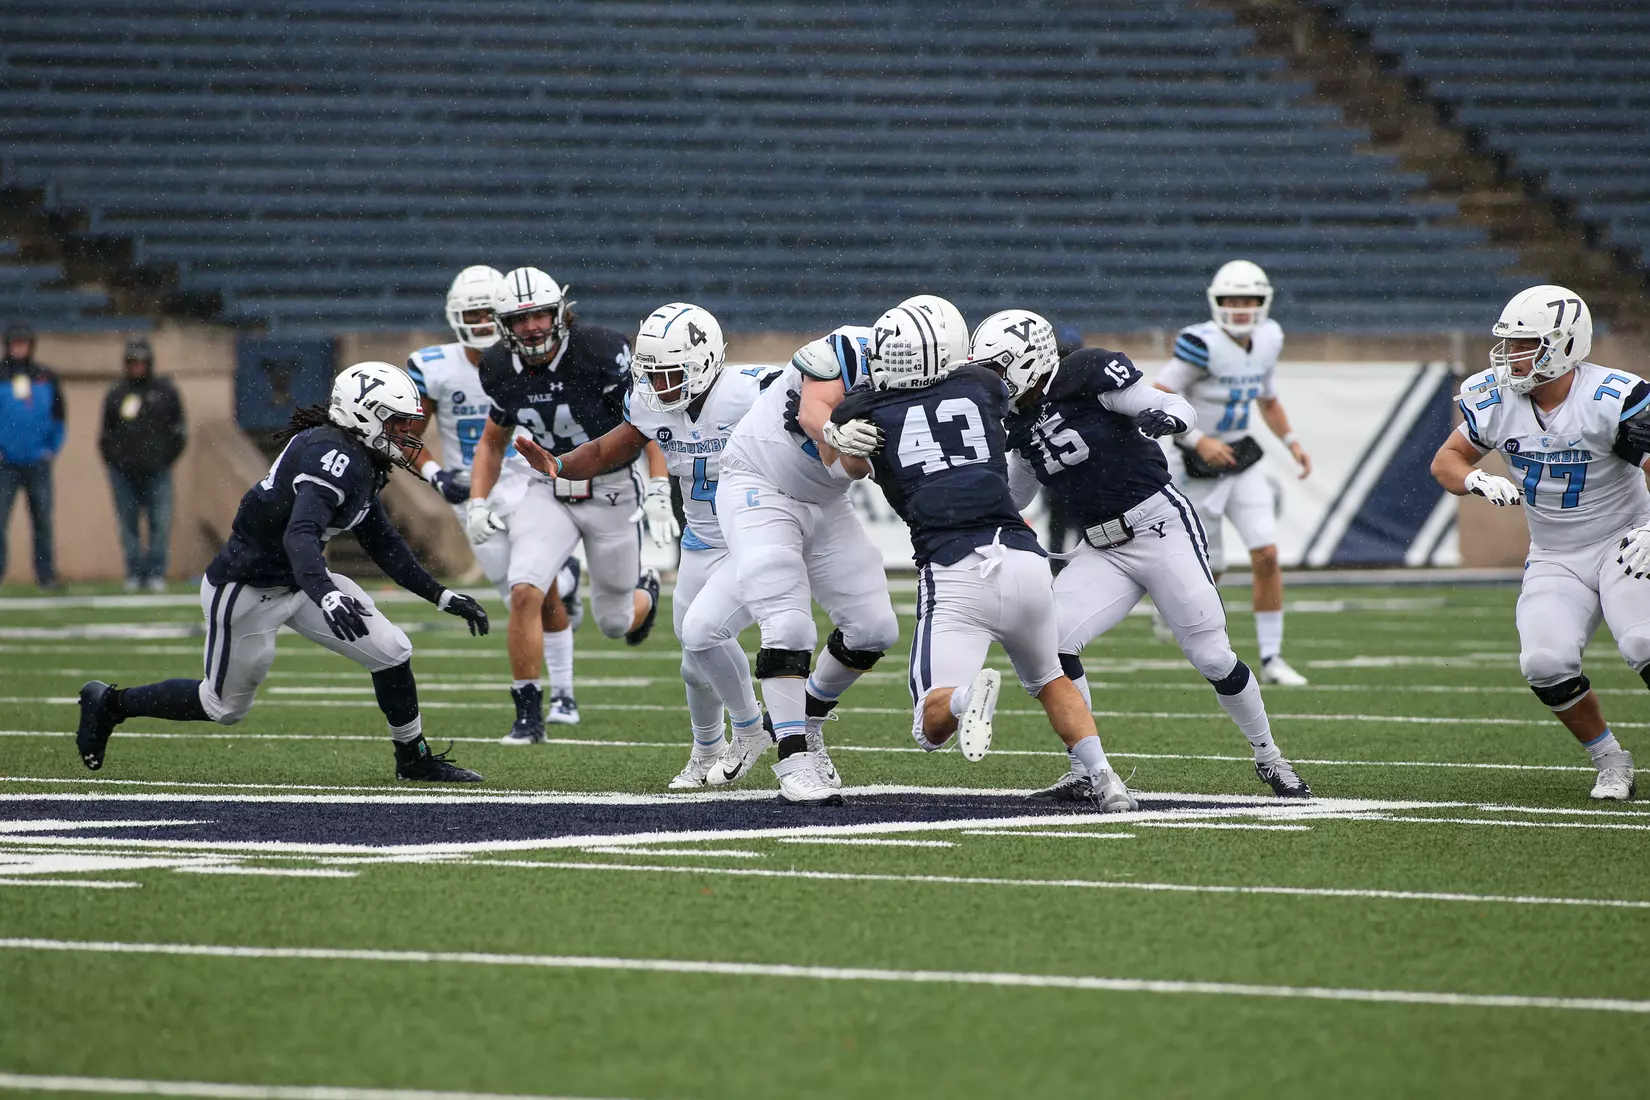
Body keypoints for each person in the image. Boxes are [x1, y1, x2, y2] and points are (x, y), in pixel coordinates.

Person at [74, 362, 491, 781]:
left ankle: (413, 757)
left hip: (299, 581)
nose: (406, 433)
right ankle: (110, 703)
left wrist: (442, 595)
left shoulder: (362, 456)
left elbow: (382, 541)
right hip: (248, 587)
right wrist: (327, 593)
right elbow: (300, 534)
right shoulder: (332, 455)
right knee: (222, 707)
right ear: (363, 415)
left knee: (392, 652)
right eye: (396, 421)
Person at [978, 309, 1311, 800]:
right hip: (1102, 547)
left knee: (1213, 655)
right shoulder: (1016, 421)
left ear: (1031, 358)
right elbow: (1018, 494)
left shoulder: (1084, 373)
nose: (994, 380)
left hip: (1158, 527)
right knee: (1052, 643)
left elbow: (1174, 405)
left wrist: (1166, 416)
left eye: (999, 367)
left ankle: (1270, 757)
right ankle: (1085, 770)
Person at [825, 306, 1138, 812]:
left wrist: (838, 429)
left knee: (930, 725)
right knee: (1050, 678)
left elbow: (850, 451)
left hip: (954, 567)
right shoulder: (981, 386)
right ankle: (1105, 777)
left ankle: (969, 699)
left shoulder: (867, 412)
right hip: (1023, 556)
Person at [516, 303, 774, 788]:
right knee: (693, 664)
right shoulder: (653, 401)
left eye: (672, 374)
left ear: (706, 363)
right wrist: (558, 464)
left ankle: (753, 729)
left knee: (705, 635)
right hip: (700, 540)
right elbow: (606, 449)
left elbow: (817, 398)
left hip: (754, 535)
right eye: (651, 375)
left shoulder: (752, 391)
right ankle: (706, 749)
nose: (660, 386)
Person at [1431, 285, 1645, 801]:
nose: (1511, 355)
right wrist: (1476, 480)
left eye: (1526, 344)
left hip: (1627, 541)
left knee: (1643, 642)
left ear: (1566, 344)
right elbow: (1447, 461)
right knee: (1544, 662)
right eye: (1509, 343)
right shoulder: (1495, 397)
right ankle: (1610, 758)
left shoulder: (1613, 398)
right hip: (1555, 552)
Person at [464, 267, 665, 745]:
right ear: (503, 323)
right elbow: (493, 441)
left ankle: (647, 594)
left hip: (610, 486)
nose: (532, 326)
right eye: (520, 318)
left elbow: (648, 419)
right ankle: (528, 716)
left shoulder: (600, 349)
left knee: (615, 621)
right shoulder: (495, 366)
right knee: (525, 589)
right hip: (546, 486)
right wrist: (477, 501)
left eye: (539, 315)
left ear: (560, 314)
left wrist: (657, 486)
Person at [406, 265, 584, 726]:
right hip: (473, 491)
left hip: (529, 482)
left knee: (533, 591)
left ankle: (562, 695)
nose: (483, 322)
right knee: (516, 595)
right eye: (474, 313)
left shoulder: (529, 357)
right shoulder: (433, 366)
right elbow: (406, 436)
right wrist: (435, 475)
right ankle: (566, 581)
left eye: (490, 313)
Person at [1154, 261, 1312, 685]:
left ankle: (1272, 658)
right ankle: (1174, 615)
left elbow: (1269, 398)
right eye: (1231, 300)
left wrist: (1293, 442)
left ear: (1263, 303)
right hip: (1196, 461)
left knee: (1267, 553)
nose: (1240, 309)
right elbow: (1156, 398)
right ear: (1216, 302)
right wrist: (1197, 438)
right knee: (1210, 564)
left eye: (1249, 300)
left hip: (1241, 458)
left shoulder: (1269, 338)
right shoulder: (1199, 343)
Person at [98, 338, 186, 592]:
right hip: (123, 472)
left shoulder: (165, 392)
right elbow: (105, 434)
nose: (137, 366)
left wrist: (164, 459)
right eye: (132, 362)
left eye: (141, 361)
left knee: (160, 524)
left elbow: (179, 431)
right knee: (128, 525)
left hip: (158, 470)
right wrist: (116, 461)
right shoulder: (117, 394)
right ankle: (134, 573)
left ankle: (157, 573)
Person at [0, 321, 64, 589]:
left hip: (38, 463)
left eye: (23, 343)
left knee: (42, 522)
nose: (19, 348)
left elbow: (60, 418)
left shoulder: (45, 376)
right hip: (6, 464)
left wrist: (51, 449)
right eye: (15, 343)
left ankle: (45, 575)